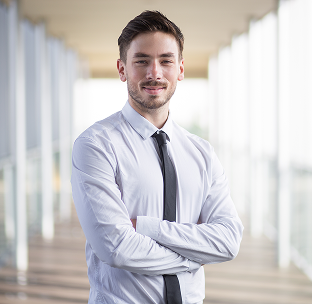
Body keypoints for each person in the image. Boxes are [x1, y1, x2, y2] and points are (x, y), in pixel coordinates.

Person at [71, 10, 244, 304]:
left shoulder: (202, 153)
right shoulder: (95, 145)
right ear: (122, 69)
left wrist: (148, 228)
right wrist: (193, 259)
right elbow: (117, 248)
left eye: (166, 60)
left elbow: (228, 241)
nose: (155, 73)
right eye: (142, 61)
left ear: (180, 69)